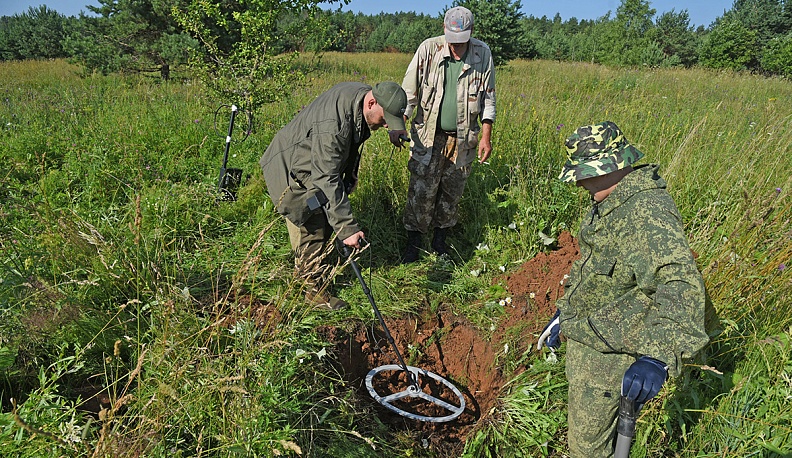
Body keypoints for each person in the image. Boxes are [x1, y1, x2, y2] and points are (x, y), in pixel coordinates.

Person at [537, 121, 709, 457]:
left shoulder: (645, 212)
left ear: (608, 166)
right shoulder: (612, 199)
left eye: (584, 173)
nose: (580, 182)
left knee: (587, 450)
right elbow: (600, 268)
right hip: (592, 339)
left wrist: (658, 357)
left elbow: (679, 280)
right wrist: (567, 313)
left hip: (609, 360)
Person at [259, 81, 408, 310]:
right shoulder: (333, 124)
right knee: (314, 219)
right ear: (371, 102)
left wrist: (394, 128)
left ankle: (315, 265)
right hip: (291, 168)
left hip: (312, 162)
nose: (386, 124)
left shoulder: (364, 99)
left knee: (328, 212)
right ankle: (311, 290)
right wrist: (347, 229)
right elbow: (326, 178)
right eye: (385, 118)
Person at [395, 5, 496, 263]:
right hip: (428, 137)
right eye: (453, 40)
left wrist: (486, 136)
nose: (456, 47)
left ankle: (440, 242)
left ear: (472, 33)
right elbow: (409, 93)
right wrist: (400, 122)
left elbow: (488, 101)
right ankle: (414, 244)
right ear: (444, 30)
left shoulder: (482, 54)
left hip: (463, 139)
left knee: (452, 192)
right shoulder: (428, 50)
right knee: (421, 191)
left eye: (462, 41)